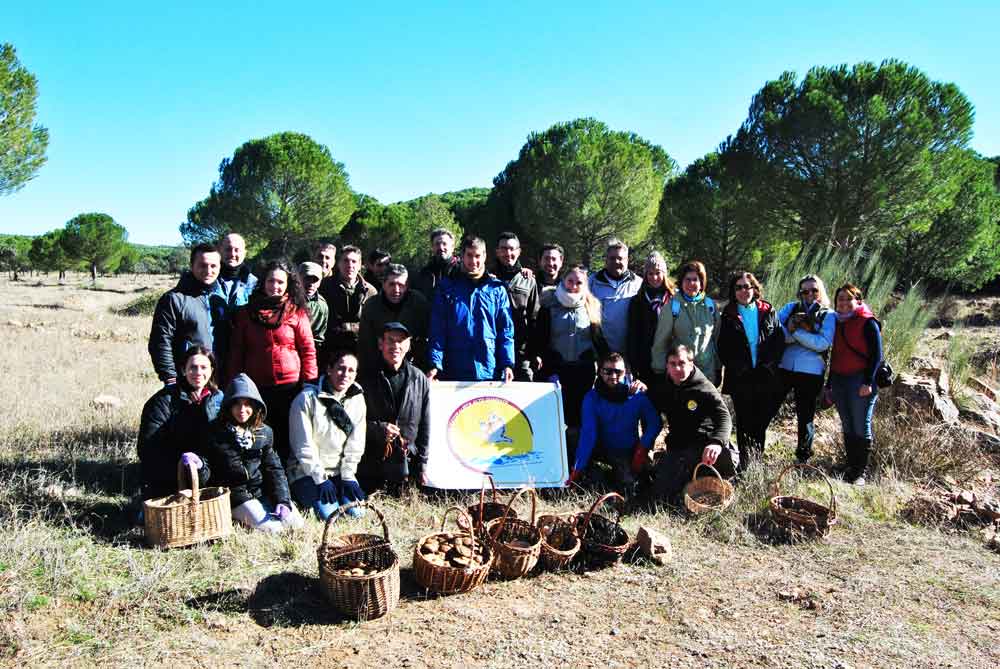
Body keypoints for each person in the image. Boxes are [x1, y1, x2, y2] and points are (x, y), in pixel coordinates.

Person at [227, 261, 318, 465]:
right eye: (270, 281)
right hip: (256, 388)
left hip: (290, 387)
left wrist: (310, 383)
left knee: (288, 435)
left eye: (280, 282)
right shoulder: (245, 313)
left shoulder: (297, 313)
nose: (274, 286)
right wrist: (233, 384)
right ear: (263, 282)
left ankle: (287, 478)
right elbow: (237, 351)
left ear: (288, 284)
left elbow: (308, 350)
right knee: (260, 436)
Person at [198, 373, 303, 532]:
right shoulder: (215, 432)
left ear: (256, 407)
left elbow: (274, 468)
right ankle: (238, 518)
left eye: (248, 404)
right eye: (237, 404)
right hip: (236, 496)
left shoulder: (265, 432)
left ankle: (264, 511)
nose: (242, 410)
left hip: (261, 491)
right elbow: (207, 468)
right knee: (273, 529)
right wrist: (199, 464)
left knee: (295, 524)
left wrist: (283, 500)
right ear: (228, 405)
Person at [532, 264, 609, 447]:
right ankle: (556, 458)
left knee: (579, 417)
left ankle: (577, 461)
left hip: (583, 370)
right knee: (557, 416)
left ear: (585, 284)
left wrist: (610, 360)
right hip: (557, 369)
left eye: (579, 282)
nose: (573, 286)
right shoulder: (548, 305)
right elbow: (540, 341)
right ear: (563, 280)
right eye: (570, 281)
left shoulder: (591, 306)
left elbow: (599, 340)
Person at [651, 344, 736, 505]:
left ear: (691, 363)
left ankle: (714, 476)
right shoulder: (663, 386)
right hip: (678, 445)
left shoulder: (704, 387)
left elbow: (724, 417)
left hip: (705, 443)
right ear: (667, 366)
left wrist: (717, 442)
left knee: (725, 465)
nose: (677, 368)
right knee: (661, 496)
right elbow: (650, 407)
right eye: (672, 364)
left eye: (682, 363)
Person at [717, 271, 785, 471]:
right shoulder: (728, 314)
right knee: (744, 423)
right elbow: (723, 347)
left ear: (754, 288)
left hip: (765, 375)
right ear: (733, 291)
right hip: (741, 378)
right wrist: (739, 367)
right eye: (738, 287)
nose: (743, 291)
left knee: (760, 422)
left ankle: (757, 462)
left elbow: (778, 340)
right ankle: (745, 465)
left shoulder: (767, 310)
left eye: (747, 286)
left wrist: (770, 364)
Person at [567, 353, 661, 496]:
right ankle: (586, 471)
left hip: (626, 450)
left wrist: (641, 449)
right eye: (608, 371)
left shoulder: (637, 395)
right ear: (599, 371)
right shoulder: (592, 397)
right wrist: (577, 468)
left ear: (626, 372)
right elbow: (589, 433)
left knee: (630, 489)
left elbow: (655, 423)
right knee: (572, 435)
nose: (613, 376)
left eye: (618, 372)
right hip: (602, 446)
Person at [288, 351, 367, 520]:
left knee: (357, 514)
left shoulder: (358, 400)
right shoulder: (306, 399)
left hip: (339, 472)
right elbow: (303, 446)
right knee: (330, 516)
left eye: (351, 370)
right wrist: (320, 478)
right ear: (329, 369)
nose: (345, 374)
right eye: (341, 368)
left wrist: (348, 475)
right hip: (308, 473)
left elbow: (356, 442)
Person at [138, 346, 223, 499]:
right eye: (193, 367)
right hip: (174, 476)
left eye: (203, 367)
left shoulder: (219, 399)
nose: (198, 373)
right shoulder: (163, 401)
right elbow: (148, 449)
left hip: (210, 472)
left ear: (212, 370)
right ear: (183, 369)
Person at [427, 236, 515, 382]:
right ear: (462, 255)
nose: (473, 261)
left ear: (485, 256)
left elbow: (505, 330)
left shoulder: (497, 289)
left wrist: (507, 364)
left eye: (478, 256)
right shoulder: (446, 288)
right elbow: (438, 330)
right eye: (469, 255)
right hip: (454, 370)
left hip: (489, 370)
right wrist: (435, 364)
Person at [357, 323, 431, 492]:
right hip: (371, 465)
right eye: (390, 340)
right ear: (380, 344)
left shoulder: (419, 378)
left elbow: (426, 426)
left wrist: (422, 463)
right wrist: (378, 429)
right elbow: (352, 422)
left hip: (408, 462)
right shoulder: (365, 377)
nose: (396, 346)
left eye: (401, 341)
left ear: (409, 345)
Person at [829, 283, 884, 485]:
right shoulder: (837, 322)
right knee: (848, 425)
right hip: (840, 380)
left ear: (858, 301)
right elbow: (835, 356)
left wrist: (868, 381)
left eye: (848, 298)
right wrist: (829, 384)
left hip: (860, 380)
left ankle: (860, 473)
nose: (843, 302)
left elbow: (877, 355)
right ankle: (851, 467)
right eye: (840, 299)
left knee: (861, 425)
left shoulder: (868, 322)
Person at [776, 274, 835, 463]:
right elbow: (776, 332)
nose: (809, 294)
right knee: (767, 408)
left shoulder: (829, 314)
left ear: (821, 291)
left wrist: (794, 330)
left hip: (811, 372)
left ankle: (802, 459)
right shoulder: (790, 307)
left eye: (814, 290)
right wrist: (798, 331)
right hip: (785, 367)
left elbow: (822, 343)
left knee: (805, 417)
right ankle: (754, 450)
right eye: (804, 290)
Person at [148, 243, 224, 385]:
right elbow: (160, 341)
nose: (208, 270)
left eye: (213, 266)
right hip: (187, 378)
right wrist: (170, 378)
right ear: (191, 265)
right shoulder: (173, 299)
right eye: (202, 265)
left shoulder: (221, 299)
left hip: (219, 378)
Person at [651, 260, 721, 385]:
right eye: (687, 279)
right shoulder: (672, 307)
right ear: (681, 282)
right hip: (680, 373)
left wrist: (718, 367)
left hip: (707, 373)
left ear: (702, 283)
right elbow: (660, 342)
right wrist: (659, 370)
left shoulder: (711, 306)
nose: (691, 283)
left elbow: (716, 340)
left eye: (695, 279)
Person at [357, 264, 429, 373]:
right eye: (391, 284)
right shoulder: (371, 306)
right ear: (383, 284)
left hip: (412, 366)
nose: (396, 290)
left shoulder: (418, 303)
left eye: (401, 285)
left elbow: (426, 338)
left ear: (407, 285)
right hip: (379, 366)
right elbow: (365, 345)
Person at [494, 232, 540, 381]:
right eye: (504, 248)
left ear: (519, 251)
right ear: (497, 251)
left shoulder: (528, 280)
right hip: (492, 349)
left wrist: (534, 352)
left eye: (512, 249)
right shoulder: (488, 278)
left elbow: (535, 318)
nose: (508, 253)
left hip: (521, 351)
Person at [626, 251, 673, 392]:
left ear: (664, 274)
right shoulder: (637, 301)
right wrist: (634, 365)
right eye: (650, 273)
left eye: (658, 273)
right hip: (645, 362)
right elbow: (633, 335)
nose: (654, 277)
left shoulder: (674, 299)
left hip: (670, 361)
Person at [319, 244, 377, 356]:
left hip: (360, 351)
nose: (350, 265)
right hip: (330, 350)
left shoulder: (371, 292)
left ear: (360, 265)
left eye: (354, 261)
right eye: (345, 261)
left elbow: (373, 325)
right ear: (338, 263)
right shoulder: (324, 287)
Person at [213, 233, 258, 376]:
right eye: (228, 249)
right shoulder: (208, 279)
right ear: (219, 251)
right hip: (211, 353)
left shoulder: (255, 284)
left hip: (243, 355)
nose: (232, 254)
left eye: (237, 250)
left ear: (244, 253)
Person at [589, 239, 643, 355]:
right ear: (606, 260)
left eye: (620, 258)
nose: (616, 261)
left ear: (627, 260)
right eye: (612, 258)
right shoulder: (591, 282)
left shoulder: (639, 284)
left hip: (629, 353)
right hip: (598, 352)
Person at [412, 228, 459, 300]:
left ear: (452, 247)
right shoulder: (425, 272)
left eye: (444, 244)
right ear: (432, 247)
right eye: (437, 244)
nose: (441, 247)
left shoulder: (462, 271)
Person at [298, 261, 329, 352]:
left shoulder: (321, 306)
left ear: (320, 282)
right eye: (307, 278)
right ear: (298, 278)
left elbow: (318, 337)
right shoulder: (287, 299)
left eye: (315, 280)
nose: (311, 284)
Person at [538, 243, 564, 307]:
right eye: (546, 259)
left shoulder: (568, 287)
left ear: (561, 261)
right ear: (540, 261)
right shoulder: (531, 284)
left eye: (554, 259)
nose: (550, 263)